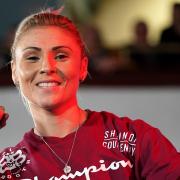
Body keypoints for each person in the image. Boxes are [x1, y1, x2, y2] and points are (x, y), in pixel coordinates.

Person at [0, 9, 180, 180]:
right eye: (32, 57)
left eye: (61, 56)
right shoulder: (7, 168)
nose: (47, 67)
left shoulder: (134, 138)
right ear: (15, 72)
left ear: (83, 67)